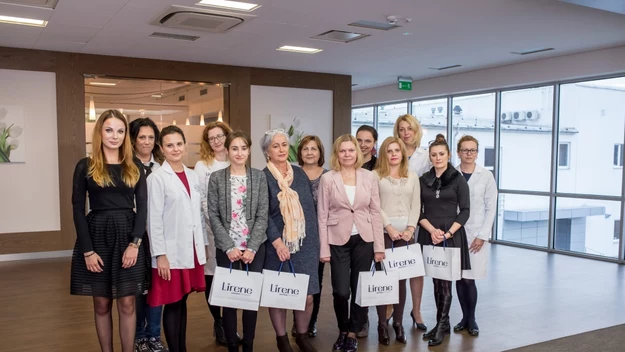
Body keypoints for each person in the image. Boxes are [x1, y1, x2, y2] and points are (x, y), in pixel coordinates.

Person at [70, 109, 148, 352]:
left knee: (127, 304)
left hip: (128, 236)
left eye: (120, 131)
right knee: (102, 304)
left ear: (126, 135)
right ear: (100, 132)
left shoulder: (134, 164)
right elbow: (76, 208)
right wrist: (87, 251)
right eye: (109, 130)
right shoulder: (86, 165)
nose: (115, 136)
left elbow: (143, 206)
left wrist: (135, 243)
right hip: (97, 236)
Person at [318, 134, 385, 352]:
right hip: (338, 240)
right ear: (337, 154)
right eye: (343, 151)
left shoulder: (369, 177)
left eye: (351, 150)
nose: (347, 154)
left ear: (357, 152)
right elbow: (322, 215)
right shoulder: (328, 179)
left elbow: (375, 212)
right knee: (341, 291)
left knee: (359, 289)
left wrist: (379, 247)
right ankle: (343, 329)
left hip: (364, 239)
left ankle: (353, 333)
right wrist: (324, 248)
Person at [147, 126, 208, 352]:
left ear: (184, 145)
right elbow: (153, 221)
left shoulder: (192, 175)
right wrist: (160, 255)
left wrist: (203, 246)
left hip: (190, 248)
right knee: (172, 302)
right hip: (170, 254)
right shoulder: (157, 178)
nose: (175, 149)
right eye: (169, 145)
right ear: (162, 149)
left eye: (179, 144)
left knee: (182, 301)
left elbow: (198, 215)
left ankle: (181, 347)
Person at [208, 131, 268, 352]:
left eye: (243, 148)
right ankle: (232, 345)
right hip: (227, 248)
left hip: (255, 247)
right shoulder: (216, 178)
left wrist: (252, 247)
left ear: (249, 150)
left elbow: (263, 214)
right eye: (234, 148)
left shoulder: (258, 177)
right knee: (230, 299)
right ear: (227, 150)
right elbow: (212, 215)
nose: (239, 152)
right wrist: (229, 246)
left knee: (251, 300)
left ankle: (249, 345)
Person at [260, 129, 320, 352]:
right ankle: (282, 339)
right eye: (275, 146)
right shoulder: (262, 177)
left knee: (307, 296)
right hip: (277, 246)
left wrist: (316, 243)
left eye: (284, 144)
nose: (281, 149)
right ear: (267, 151)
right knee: (279, 296)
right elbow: (262, 214)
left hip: (306, 244)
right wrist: (277, 242)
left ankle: (302, 336)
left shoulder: (300, 174)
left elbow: (310, 211)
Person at [417, 134, 471, 347]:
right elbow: (418, 211)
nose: (438, 158)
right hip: (429, 234)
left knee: (446, 283)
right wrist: (432, 231)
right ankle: (442, 323)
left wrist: (447, 234)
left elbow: (465, 211)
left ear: (448, 155)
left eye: (441, 154)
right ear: (429, 157)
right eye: (434, 155)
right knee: (436, 281)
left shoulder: (458, 179)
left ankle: (442, 324)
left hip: (451, 235)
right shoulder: (423, 180)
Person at [372, 137, 421, 346]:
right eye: (389, 151)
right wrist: (388, 227)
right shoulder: (375, 176)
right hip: (384, 234)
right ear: (384, 154)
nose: (393, 154)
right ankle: (382, 324)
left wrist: (411, 228)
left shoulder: (413, 176)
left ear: (402, 153)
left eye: (397, 150)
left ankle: (398, 323)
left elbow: (416, 204)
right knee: (384, 280)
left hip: (407, 236)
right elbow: (374, 204)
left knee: (401, 280)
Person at [194, 121, 239, 346]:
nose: (217, 141)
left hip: (238, 231)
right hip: (212, 229)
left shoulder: (237, 160)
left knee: (232, 276)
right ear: (207, 142)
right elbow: (202, 198)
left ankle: (232, 325)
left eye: (220, 136)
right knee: (212, 275)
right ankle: (218, 321)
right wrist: (216, 224)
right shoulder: (203, 165)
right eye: (212, 138)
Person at [129, 117, 168, 352]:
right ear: (133, 140)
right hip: (133, 236)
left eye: (151, 137)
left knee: (156, 287)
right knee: (136, 289)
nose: (146, 142)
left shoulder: (163, 167)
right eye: (142, 137)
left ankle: (154, 335)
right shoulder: (125, 165)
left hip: (159, 237)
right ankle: (139, 336)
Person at [454, 135, 497, 337]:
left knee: (470, 279)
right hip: (455, 233)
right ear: (458, 152)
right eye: (465, 150)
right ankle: (463, 317)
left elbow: (491, 208)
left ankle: (471, 319)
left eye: (472, 150)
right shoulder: (451, 174)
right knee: (459, 277)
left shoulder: (486, 176)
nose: (469, 154)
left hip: (476, 234)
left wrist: (482, 235)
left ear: (477, 153)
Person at [392, 113, 430, 330]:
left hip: (418, 219)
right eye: (402, 129)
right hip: (394, 218)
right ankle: (391, 307)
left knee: (416, 268)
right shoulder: (391, 154)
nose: (405, 133)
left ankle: (416, 310)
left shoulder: (424, 157)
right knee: (393, 265)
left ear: (416, 132)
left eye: (410, 129)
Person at [292, 135, 328, 338]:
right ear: (300, 153)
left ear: (320, 152)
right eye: (305, 149)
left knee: (315, 283)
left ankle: (310, 321)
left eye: (313, 148)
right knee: (294, 282)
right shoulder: (292, 174)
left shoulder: (329, 176)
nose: (309, 152)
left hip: (318, 237)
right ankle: (296, 323)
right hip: (295, 236)